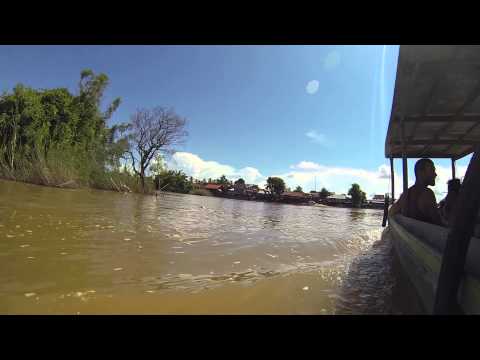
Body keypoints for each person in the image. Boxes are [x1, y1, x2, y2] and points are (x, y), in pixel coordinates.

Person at [389, 158, 445, 226]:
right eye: (432, 170)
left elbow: (391, 212)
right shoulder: (427, 194)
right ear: (421, 173)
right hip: (423, 235)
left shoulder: (406, 193)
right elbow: (439, 224)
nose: (435, 174)